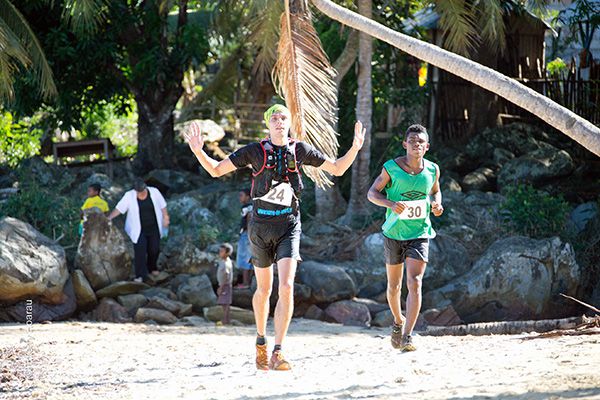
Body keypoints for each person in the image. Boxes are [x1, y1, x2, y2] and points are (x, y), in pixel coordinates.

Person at [184, 104, 365, 371]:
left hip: (289, 225)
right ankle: (261, 341)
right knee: (264, 289)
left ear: (290, 122)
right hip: (260, 226)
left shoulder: (300, 150)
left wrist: (355, 148)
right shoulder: (255, 151)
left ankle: (278, 351)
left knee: (287, 286)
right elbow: (216, 170)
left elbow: (337, 169)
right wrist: (199, 151)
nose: (280, 122)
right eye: (275, 118)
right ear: (267, 124)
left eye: (284, 118)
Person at [367, 124, 443, 352]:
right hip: (394, 233)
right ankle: (398, 321)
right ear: (405, 144)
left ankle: (408, 335)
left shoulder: (432, 169)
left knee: (415, 281)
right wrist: (391, 204)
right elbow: (372, 194)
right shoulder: (391, 168)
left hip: (420, 232)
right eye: (412, 141)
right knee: (394, 287)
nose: (416, 145)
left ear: (427, 146)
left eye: (421, 142)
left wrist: (437, 204)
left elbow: (435, 191)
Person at [108, 179, 170, 283]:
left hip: (154, 226)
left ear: (146, 187)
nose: (141, 193)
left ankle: (152, 268)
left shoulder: (154, 192)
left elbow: (163, 205)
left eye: (142, 191)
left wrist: (166, 217)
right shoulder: (129, 196)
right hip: (138, 229)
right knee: (140, 251)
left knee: (154, 249)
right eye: (139, 191)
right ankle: (140, 275)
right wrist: (109, 217)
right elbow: (119, 208)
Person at [235, 189, 253, 289]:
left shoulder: (248, 207)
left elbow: (249, 219)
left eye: (241, 195)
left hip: (247, 235)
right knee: (249, 259)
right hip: (248, 234)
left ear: (247, 197)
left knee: (245, 259)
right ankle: (248, 282)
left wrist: (249, 234)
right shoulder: (250, 206)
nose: (239, 198)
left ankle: (245, 283)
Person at [216, 243, 234, 325]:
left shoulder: (226, 263)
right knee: (225, 303)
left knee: (225, 303)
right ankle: (226, 319)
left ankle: (225, 320)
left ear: (227, 253)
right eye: (220, 251)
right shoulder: (225, 261)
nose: (220, 253)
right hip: (225, 285)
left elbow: (226, 275)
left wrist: (221, 287)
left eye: (222, 251)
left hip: (225, 285)